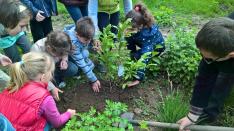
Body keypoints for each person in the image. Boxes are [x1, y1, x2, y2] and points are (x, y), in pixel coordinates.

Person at [177, 17, 234, 130]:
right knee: (219, 77)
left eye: (208, 58)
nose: (204, 59)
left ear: (231, 55)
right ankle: (208, 115)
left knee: (226, 75)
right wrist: (192, 116)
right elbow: (204, 79)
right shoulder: (223, 34)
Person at [0, 52, 76, 130]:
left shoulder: (12, 86)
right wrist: (68, 114)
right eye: (51, 72)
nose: (51, 75)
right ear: (43, 77)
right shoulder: (44, 97)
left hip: (5, 125)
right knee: (48, 122)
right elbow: (57, 122)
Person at [125, 3, 165, 87]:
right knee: (133, 53)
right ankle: (134, 58)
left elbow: (145, 55)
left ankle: (140, 72)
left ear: (141, 26)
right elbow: (130, 41)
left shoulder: (148, 35)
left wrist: (137, 78)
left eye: (131, 29)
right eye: (127, 27)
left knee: (138, 56)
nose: (128, 30)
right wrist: (131, 52)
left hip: (157, 47)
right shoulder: (135, 29)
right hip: (143, 42)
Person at [64, 17, 101, 92]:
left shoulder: (82, 33)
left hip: (75, 54)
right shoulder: (73, 43)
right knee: (74, 69)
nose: (88, 42)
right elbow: (82, 63)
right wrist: (93, 80)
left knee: (86, 56)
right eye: (86, 40)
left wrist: (92, 46)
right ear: (76, 34)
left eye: (90, 39)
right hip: (62, 58)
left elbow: (86, 45)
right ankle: (61, 76)